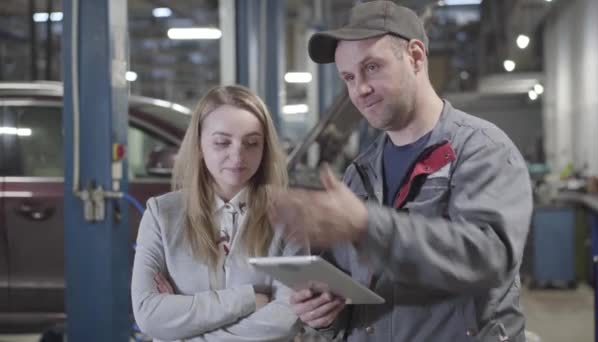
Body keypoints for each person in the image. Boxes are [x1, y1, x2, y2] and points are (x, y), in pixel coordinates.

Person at [269, 1, 533, 341]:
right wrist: (321, 315)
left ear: (416, 57)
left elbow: (488, 259)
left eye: (372, 67)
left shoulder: (482, 151)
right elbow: (347, 292)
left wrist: (366, 224)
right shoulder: (359, 172)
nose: (359, 89)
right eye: (348, 77)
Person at [131, 85, 301, 341]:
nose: (237, 156)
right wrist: (249, 299)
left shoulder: (289, 216)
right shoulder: (161, 214)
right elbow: (148, 315)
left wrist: (182, 331)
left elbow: (287, 319)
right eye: (222, 142)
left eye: (252, 143)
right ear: (199, 146)